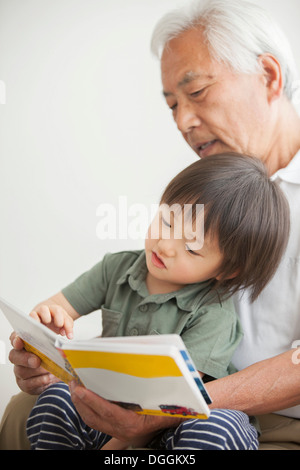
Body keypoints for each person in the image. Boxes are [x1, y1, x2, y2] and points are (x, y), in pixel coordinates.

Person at [1, 0, 300, 451]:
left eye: (196, 92)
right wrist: (51, 361)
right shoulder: (202, 189)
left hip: (262, 415)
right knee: (27, 408)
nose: (182, 121)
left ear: (269, 77)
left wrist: (163, 413)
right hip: (151, 397)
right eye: (172, 105)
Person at [24, 153, 288, 450]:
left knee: (214, 428)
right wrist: (46, 321)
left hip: (179, 417)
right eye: (166, 221)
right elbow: (56, 310)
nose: (165, 244)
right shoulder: (117, 268)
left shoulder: (214, 314)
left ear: (227, 270)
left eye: (190, 247)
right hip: (116, 405)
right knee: (57, 398)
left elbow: (173, 401)